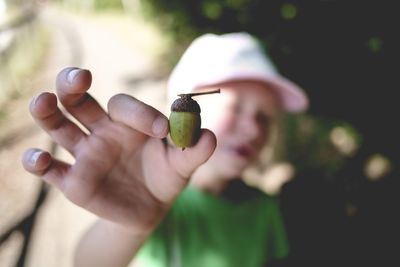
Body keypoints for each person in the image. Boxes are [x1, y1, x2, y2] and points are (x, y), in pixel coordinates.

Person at [21, 32, 308, 267]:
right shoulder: (159, 197)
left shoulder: (263, 209)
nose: (254, 128)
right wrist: (132, 227)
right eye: (236, 106)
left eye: (265, 117)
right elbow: (87, 263)